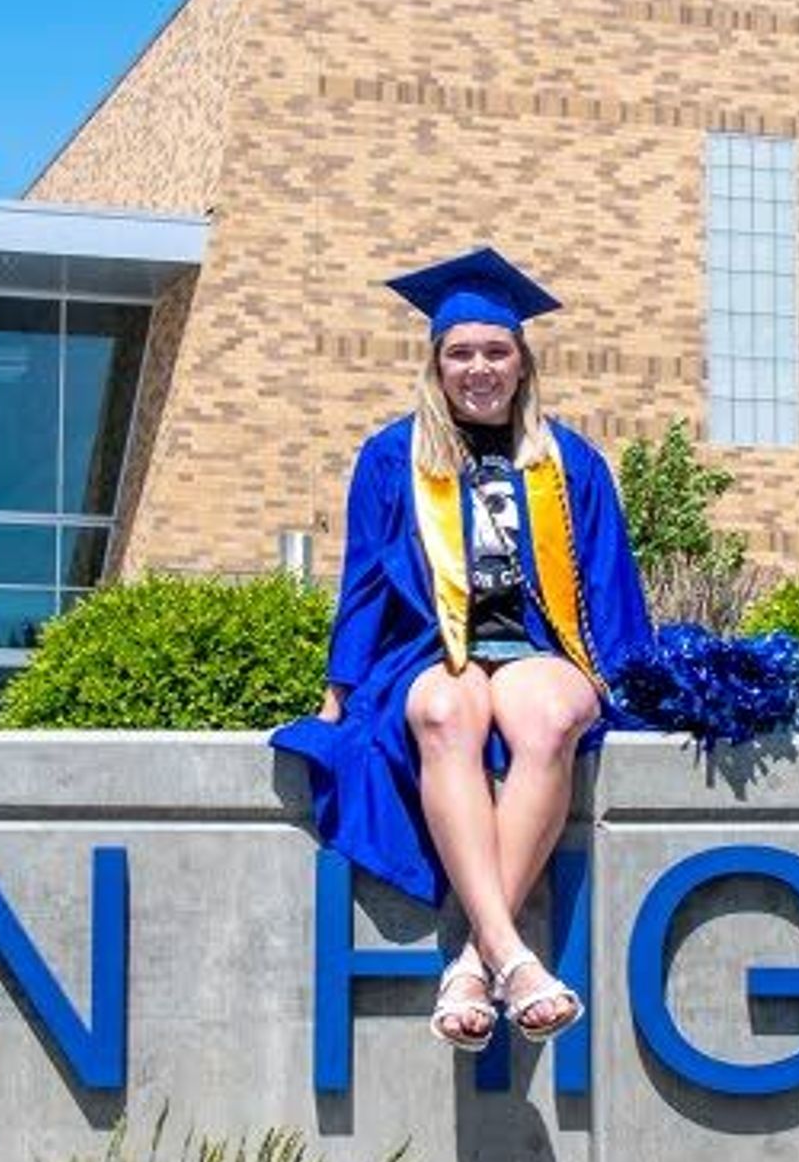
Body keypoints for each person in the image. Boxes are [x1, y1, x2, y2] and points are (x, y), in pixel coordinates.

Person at [270, 246, 652, 1050]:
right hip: (429, 648)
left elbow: (610, 578)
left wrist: (632, 678)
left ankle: (476, 962)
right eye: (461, 353)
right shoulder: (393, 456)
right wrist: (339, 693)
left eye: (496, 351)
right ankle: (514, 956)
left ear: (522, 361)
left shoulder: (567, 460)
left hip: (538, 646)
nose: (479, 368)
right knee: (447, 709)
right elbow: (365, 584)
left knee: (550, 716)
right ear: (437, 366)